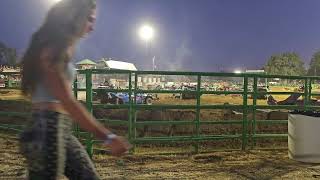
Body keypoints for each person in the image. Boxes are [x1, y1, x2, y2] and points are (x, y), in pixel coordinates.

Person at [19, 0, 131, 179]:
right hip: (46, 129)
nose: (92, 27)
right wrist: (107, 137)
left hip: (58, 127)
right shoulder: (53, 48)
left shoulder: (59, 47)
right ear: (75, 17)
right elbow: (68, 101)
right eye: (90, 19)